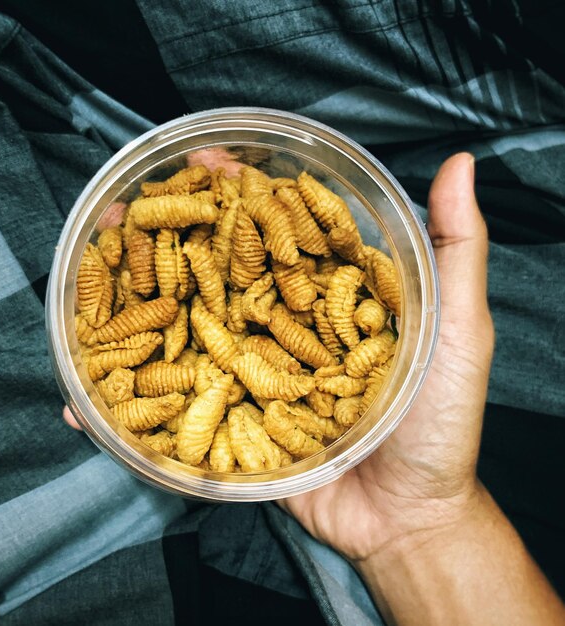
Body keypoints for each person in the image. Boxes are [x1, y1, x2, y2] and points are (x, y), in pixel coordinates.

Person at [64, 152, 565, 624]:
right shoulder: (218, 313)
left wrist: (420, 520)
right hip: (233, 362)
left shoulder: (314, 331)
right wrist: (421, 527)